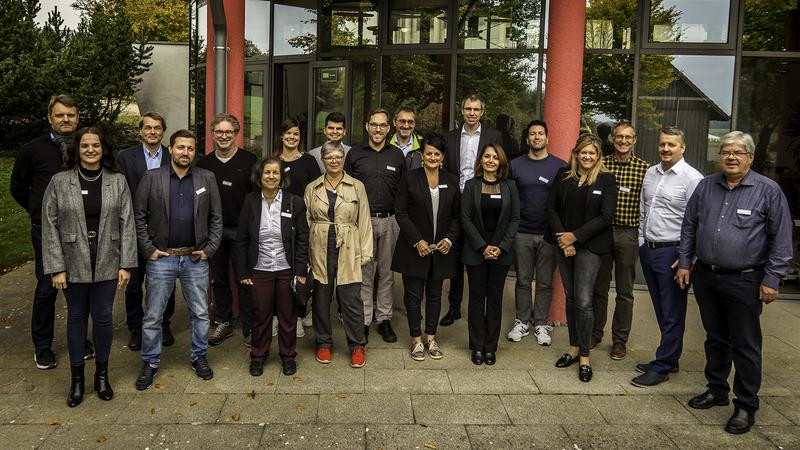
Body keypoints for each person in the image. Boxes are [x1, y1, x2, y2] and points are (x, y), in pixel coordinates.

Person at [677, 131, 792, 434]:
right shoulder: (705, 186)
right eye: (726, 150)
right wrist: (686, 263)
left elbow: (781, 240)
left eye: (739, 152)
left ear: (750, 157)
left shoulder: (768, 191)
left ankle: (746, 405)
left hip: (746, 280)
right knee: (715, 337)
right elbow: (689, 226)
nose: (731, 156)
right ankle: (716, 390)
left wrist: (772, 279)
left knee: (745, 343)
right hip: (706, 277)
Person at [41, 127, 138, 407]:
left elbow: (127, 222)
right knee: (76, 317)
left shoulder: (117, 181)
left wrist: (127, 263)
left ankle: (102, 377)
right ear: (77, 149)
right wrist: (56, 267)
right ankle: (77, 381)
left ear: (103, 148)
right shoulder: (60, 181)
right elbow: (49, 226)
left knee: (104, 317)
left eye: (96, 145)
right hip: (72, 262)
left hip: (108, 258)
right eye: (85, 146)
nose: (91, 150)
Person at [133, 129, 223, 390]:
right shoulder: (152, 178)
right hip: (162, 258)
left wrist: (210, 248)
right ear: (170, 149)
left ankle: (199, 357)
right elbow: (139, 216)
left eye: (190, 148)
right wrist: (148, 249)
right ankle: (149, 362)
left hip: (195, 258)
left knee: (200, 313)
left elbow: (216, 216)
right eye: (180, 147)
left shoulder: (206, 177)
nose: (185, 152)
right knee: (153, 315)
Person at [10, 94, 94, 369]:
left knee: (79, 287)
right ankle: (42, 346)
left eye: (71, 115)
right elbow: (18, 188)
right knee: (47, 287)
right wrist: (38, 211)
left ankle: (79, 340)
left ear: (77, 117)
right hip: (46, 230)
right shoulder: (32, 150)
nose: (66, 119)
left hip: (80, 230)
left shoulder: (87, 146)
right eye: (60, 115)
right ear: (50, 118)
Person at [631, 127, 703, 388]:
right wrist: (641, 242)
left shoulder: (693, 179)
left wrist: (687, 259)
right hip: (649, 250)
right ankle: (670, 357)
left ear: (682, 147)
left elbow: (697, 222)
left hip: (674, 253)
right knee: (661, 309)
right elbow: (643, 209)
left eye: (672, 145)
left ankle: (662, 365)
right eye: (662, 144)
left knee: (672, 311)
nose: (666, 149)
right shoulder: (651, 173)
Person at [548, 134, 617, 382]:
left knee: (585, 301)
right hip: (563, 245)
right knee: (571, 296)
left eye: (592, 153)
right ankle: (574, 348)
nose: (587, 156)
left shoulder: (607, 180)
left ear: (598, 156)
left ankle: (585, 356)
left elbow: (605, 217)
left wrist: (574, 237)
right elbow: (552, 208)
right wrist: (563, 239)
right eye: (583, 152)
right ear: (576, 153)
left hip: (591, 247)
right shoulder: (563, 176)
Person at [235, 157, 309, 377]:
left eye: (275, 173)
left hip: (286, 268)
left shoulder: (294, 202)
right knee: (261, 315)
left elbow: (303, 239)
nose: (271, 176)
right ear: (259, 176)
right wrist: (243, 271)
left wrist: (300, 272)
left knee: (288, 317)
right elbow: (242, 240)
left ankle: (288, 357)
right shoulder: (250, 201)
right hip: (260, 269)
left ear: (281, 177)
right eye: (267, 172)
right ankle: (258, 356)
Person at [391, 132, 460, 361]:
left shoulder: (451, 179)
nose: (432, 157)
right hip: (414, 248)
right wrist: (416, 240)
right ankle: (416, 340)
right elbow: (400, 213)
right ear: (422, 155)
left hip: (441, 250)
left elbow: (457, 216)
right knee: (412, 295)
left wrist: (449, 239)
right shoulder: (410, 178)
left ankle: (430, 337)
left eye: (436, 154)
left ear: (443, 156)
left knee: (434, 294)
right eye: (428, 153)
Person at [305, 141, 373, 368]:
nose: (334, 161)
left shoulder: (357, 186)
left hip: (349, 246)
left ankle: (356, 345)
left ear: (343, 159)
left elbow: (364, 221)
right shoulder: (312, 187)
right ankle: (324, 342)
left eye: (338, 157)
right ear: (322, 160)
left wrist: (365, 253)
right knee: (321, 298)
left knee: (352, 299)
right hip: (320, 246)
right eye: (329, 157)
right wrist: (304, 255)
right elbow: (306, 222)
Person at [116, 112, 177, 351]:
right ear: (140, 131)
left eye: (157, 128)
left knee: (166, 281)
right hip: (133, 228)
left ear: (163, 131)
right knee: (134, 282)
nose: (153, 132)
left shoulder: (171, 156)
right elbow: (121, 192)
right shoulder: (125, 157)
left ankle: (163, 323)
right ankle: (136, 327)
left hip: (165, 230)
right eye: (148, 128)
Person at [441, 94, 502, 327]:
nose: (472, 113)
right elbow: (447, 169)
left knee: (480, 254)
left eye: (476, 109)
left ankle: (483, 306)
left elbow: (499, 166)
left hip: (482, 202)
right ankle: (454, 307)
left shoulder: (493, 136)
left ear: (482, 112)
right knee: (455, 259)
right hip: (456, 201)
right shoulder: (451, 137)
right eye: (468, 108)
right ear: (462, 110)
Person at [197, 113, 258, 347]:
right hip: (214, 232)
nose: (224, 136)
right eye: (219, 132)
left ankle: (249, 325)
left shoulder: (249, 161)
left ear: (236, 134)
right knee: (219, 279)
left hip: (243, 232)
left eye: (228, 132)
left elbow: (257, 198)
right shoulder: (204, 164)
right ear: (213, 134)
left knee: (245, 279)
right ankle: (223, 321)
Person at [344, 108, 405, 343]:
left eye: (382, 125)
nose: (378, 129)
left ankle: (385, 319)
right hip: (363, 221)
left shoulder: (397, 155)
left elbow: (403, 190)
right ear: (367, 127)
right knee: (365, 273)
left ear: (389, 128)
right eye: (374, 125)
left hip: (390, 220)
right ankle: (365, 320)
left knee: (388, 273)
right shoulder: (355, 154)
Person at [591, 121, 649, 360]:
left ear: (634, 140)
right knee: (599, 287)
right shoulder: (601, 165)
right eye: (619, 137)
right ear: (612, 139)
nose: (623, 141)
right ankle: (595, 333)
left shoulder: (645, 169)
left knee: (625, 290)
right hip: (603, 233)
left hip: (628, 233)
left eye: (628, 137)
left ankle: (619, 340)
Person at [507, 119, 566, 345]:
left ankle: (540, 322)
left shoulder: (560, 167)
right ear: (527, 138)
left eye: (540, 133)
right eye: (532, 134)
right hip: (521, 232)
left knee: (544, 282)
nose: (537, 137)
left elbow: (562, 201)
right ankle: (522, 320)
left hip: (549, 234)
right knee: (522, 280)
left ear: (547, 138)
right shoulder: (515, 165)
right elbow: (510, 198)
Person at [461, 144, 519, 366]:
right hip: (476, 250)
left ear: (501, 162)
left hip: (500, 252)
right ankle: (477, 346)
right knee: (476, 299)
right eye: (487, 156)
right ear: (481, 160)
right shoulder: (471, 185)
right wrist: (482, 246)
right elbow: (465, 218)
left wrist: (500, 246)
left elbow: (515, 219)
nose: (491, 160)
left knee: (495, 299)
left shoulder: (510, 186)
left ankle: (490, 347)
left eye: (495, 157)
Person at [388, 105, 425, 170]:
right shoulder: (385, 144)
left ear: (414, 124)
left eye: (410, 122)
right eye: (402, 121)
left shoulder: (423, 144)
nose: (406, 126)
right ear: (394, 122)